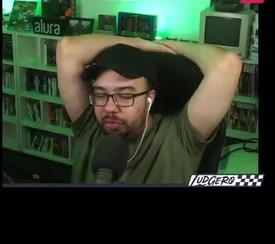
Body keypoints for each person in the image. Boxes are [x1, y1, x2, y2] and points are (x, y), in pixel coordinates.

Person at [57, 35, 241, 184]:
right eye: (100, 94)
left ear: (149, 99)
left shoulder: (178, 136)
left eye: (125, 95)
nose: (109, 107)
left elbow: (227, 64)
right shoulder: (89, 126)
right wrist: (139, 43)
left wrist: (174, 46)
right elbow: (67, 49)